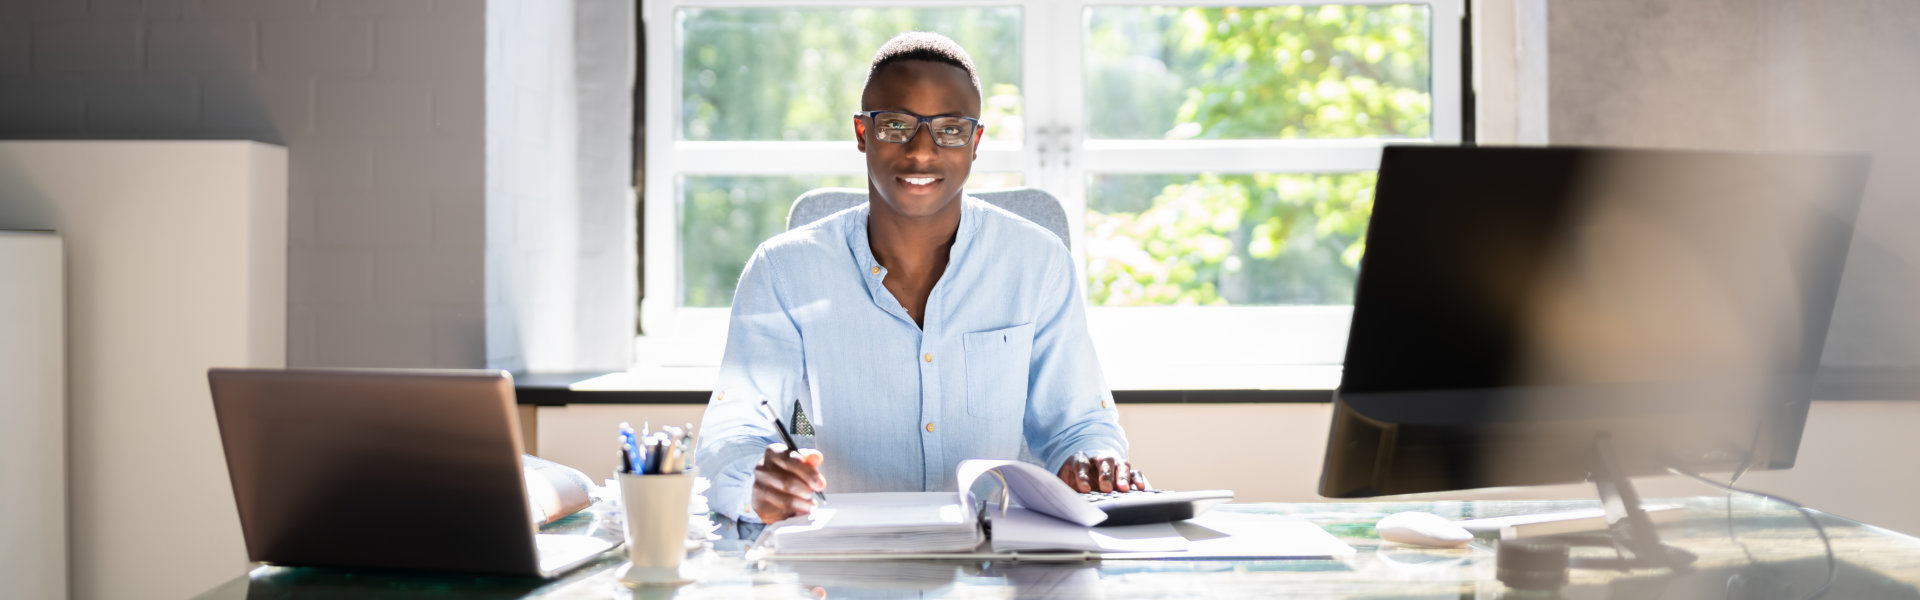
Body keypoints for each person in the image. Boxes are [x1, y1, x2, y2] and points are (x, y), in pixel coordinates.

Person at [694, 31, 1145, 529]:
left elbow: (1078, 424)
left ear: (975, 143)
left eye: (950, 129)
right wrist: (754, 482)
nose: (921, 151)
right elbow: (732, 432)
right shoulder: (783, 271)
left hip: (993, 567)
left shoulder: (1038, 264)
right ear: (862, 133)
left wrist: (1092, 459)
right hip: (840, 560)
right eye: (895, 124)